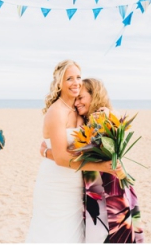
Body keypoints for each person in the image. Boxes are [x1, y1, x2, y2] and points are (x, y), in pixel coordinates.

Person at [26, 60, 119, 243]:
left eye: (78, 77)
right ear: (59, 83)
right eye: (70, 78)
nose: (76, 82)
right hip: (56, 184)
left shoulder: (80, 111)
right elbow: (61, 158)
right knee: (54, 233)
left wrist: (108, 114)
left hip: (78, 186)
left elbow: (96, 141)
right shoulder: (56, 112)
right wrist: (102, 166)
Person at [41, 78, 144, 243]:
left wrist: (48, 153)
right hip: (95, 190)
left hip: (109, 188)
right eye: (76, 99)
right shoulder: (88, 121)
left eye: (81, 98)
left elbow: (84, 153)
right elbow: (74, 153)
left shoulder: (102, 118)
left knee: (113, 235)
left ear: (94, 95)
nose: (77, 103)